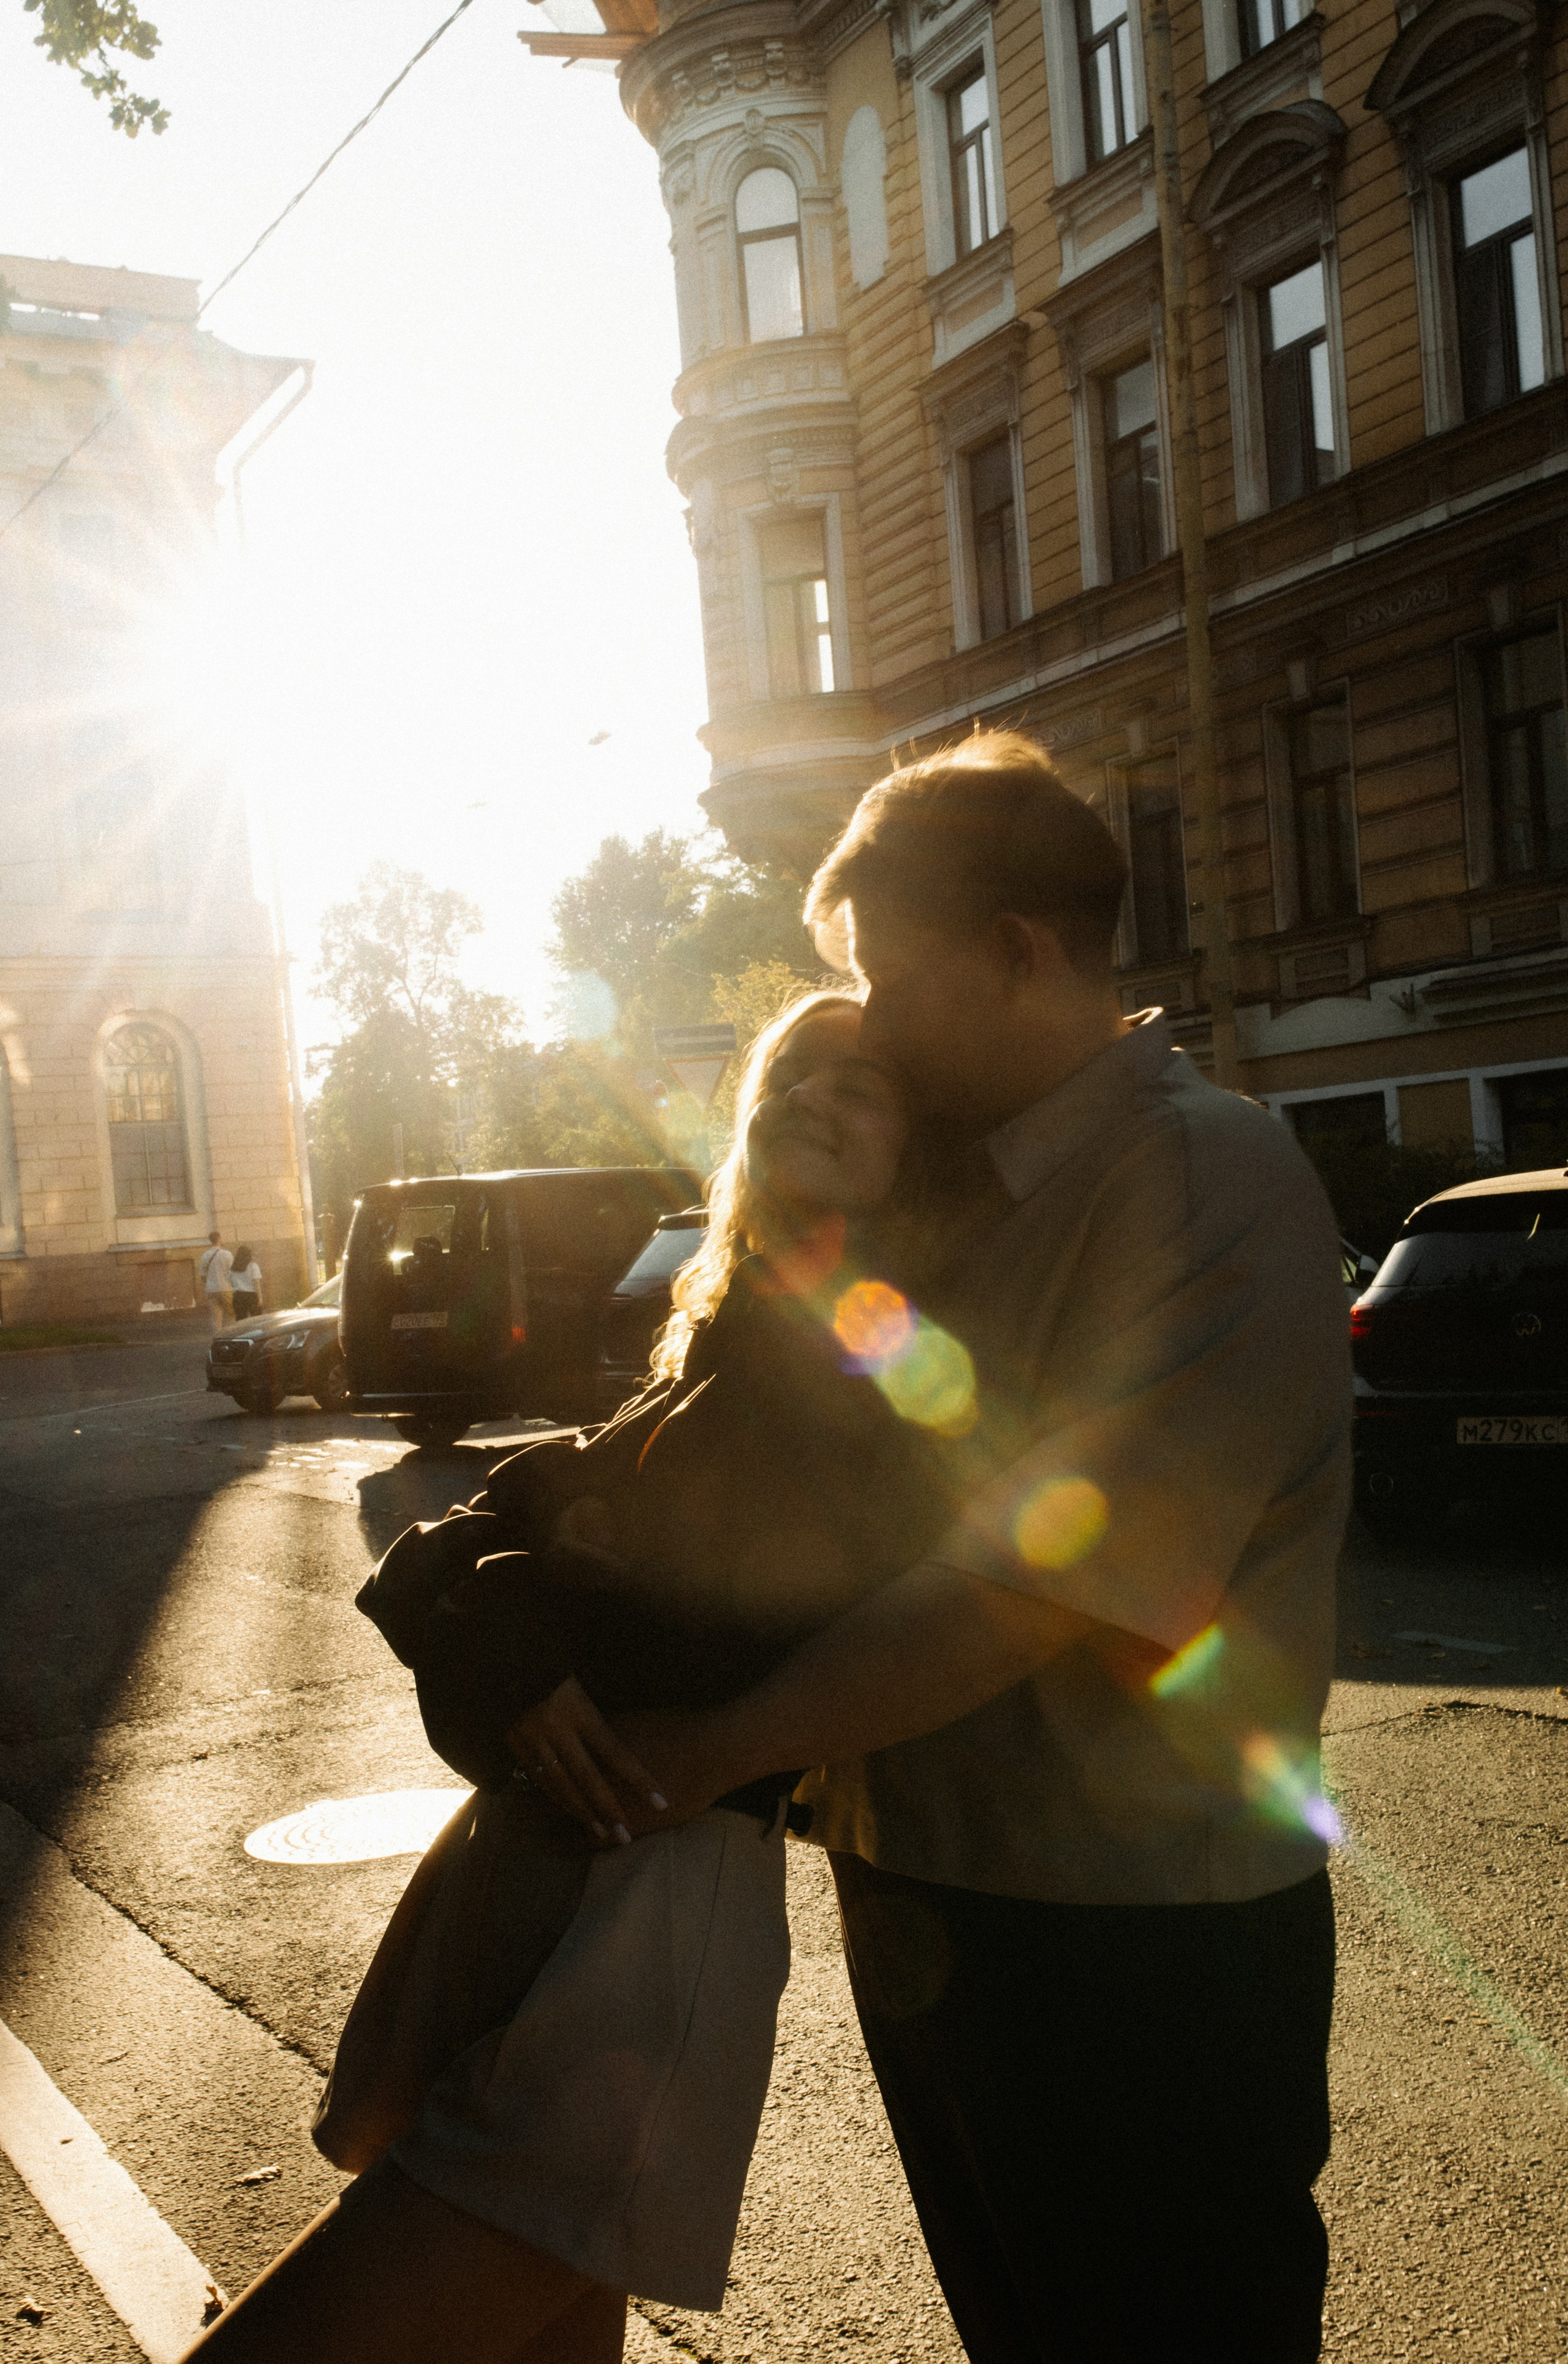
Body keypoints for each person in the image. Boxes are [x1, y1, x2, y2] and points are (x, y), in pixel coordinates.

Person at [541, 733, 1353, 2363]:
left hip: (1137, 1941)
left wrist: (709, 1748)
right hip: (939, 1901)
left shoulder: (1200, 1174)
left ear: (1017, 953)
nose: (881, 1030)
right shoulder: (974, 1181)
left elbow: (1032, 1589)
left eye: (891, 983)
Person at [177, 991, 956, 2364]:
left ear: (923, 1147)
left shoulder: (884, 1345)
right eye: (789, 1079)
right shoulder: (726, 1342)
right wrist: (508, 1609)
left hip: (657, 1911)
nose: (818, 1100)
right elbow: (477, 1526)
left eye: (867, 1085)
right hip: (569, 1877)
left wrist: (521, 1603)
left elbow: (683, 1613)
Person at [198, 1231, 235, 1332]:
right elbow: (232, 1273)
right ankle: (230, 1338)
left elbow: (202, 1275)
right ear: (219, 1239)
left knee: (216, 1319)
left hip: (211, 1290)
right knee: (231, 1316)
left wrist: (209, 1285)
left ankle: (217, 1340)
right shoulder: (227, 1254)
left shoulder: (205, 1255)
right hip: (226, 1289)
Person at [229, 1245, 262, 1324]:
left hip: (238, 1296)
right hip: (252, 1296)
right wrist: (260, 1297)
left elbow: (231, 1282)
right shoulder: (253, 1266)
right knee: (257, 1321)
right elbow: (256, 1283)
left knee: (241, 1322)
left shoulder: (233, 1268)